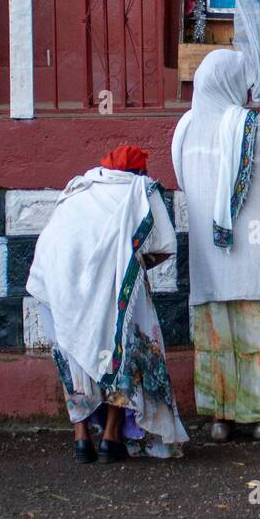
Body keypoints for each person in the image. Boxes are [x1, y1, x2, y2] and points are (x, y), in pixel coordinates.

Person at [27, 145, 188, 463]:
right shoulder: (141, 190)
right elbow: (164, 246)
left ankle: (82, 439)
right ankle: (111, 438)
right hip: (109, 288)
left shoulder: (79, 188)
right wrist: (132, 268)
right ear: (139, 171)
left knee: (74, 356)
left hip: (60, 285)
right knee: (119, 354)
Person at [171, 50, 260, 442]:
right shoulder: (254, 126)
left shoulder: (185, 128)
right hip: (253, 258)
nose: (247, 91)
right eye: (243, 82)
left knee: (218, 341)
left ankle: (220, 419)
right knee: (255, 334)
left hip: (209, 261)